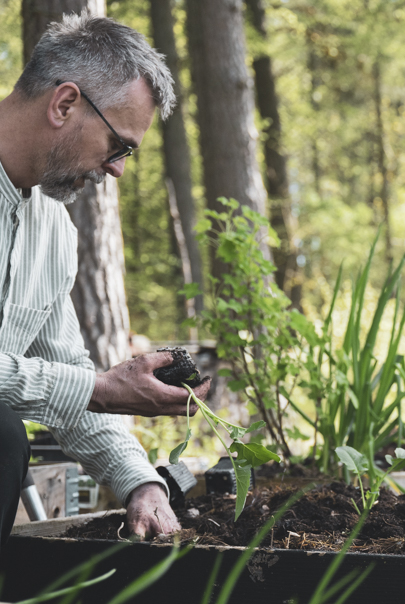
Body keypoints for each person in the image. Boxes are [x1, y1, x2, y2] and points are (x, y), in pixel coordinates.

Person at [0, 11, 210, 548]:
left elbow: (66, 373)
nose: (117, 169)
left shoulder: (52, 230)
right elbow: (82, 388)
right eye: (119, 146)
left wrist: (139, 481)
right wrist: (98, 388)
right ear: (64, 103)